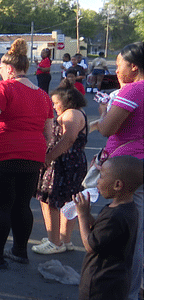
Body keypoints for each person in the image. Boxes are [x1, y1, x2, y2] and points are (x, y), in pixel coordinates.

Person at [0, 39, 54, 269]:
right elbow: (49, 132)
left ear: (11, 69)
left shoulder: (4, 88)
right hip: (31, 156)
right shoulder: (43, 96)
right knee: (22, 205)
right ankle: (20, 251)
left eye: (1, 67)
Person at [92, 42, 144, 300]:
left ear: (134, 66)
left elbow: (107, 128)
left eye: (118, 64)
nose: (116, 70)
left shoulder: (135, 90)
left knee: (131, 238)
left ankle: (128, 293)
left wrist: (104, 112)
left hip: (129, 171)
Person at [74, 155, 144, 300]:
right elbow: (103, 233)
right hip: (117, 282)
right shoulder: (128, 209)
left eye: (102, 177)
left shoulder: (115, 216)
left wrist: (81, 216)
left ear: (117, 185)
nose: (98, 181)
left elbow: (91, 245)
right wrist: (88, 215)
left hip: (101, 285)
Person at [33, 80, 88, 255]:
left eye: (56, 103)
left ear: (67, 101)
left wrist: (49, 157)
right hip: (73, 162)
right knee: (69, 200)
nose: (54, 106)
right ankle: (63, 239)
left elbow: (69, 138)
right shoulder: (79, 113)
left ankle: (54, 241)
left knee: (50, 200)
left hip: (63, 163)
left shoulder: (70, 114)